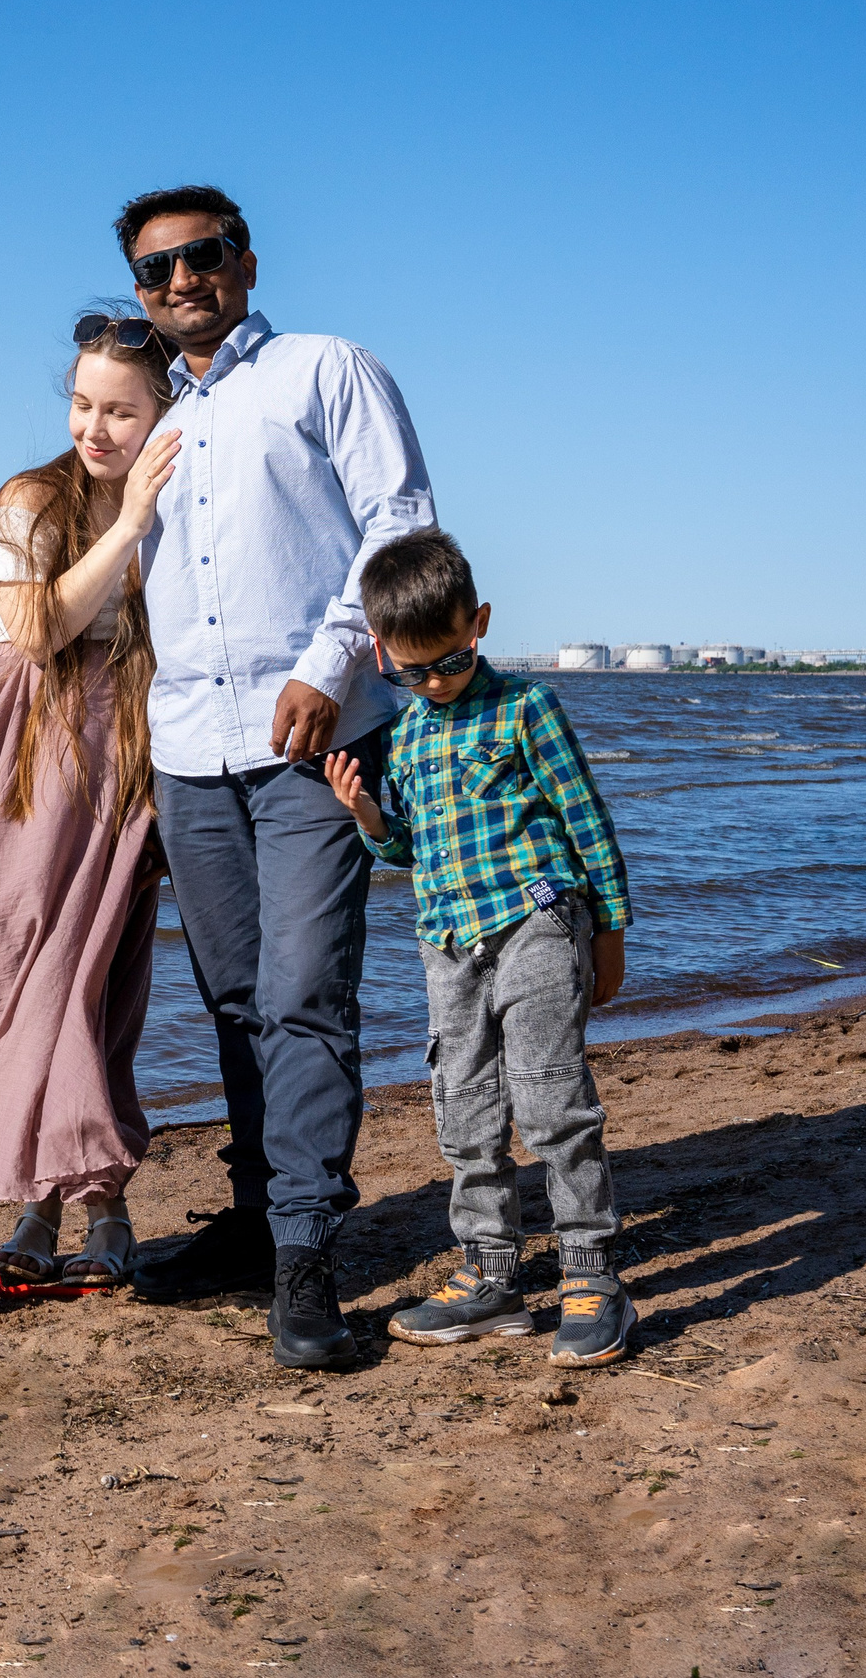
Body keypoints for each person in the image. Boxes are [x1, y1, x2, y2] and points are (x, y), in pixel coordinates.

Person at [116, 184, 438, 1372]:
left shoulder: (323, 368)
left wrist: (330, 658)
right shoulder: (149, 418)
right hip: (186, 749)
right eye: (158, 272)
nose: (182, 281)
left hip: (316, 735)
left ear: (244, 260)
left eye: (201, 257)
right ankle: (255, 1223)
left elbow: (400, 525)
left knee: (306, 991)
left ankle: (306, 1252)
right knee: (236, 997)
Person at [0, 310, 182, 1288]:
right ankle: (48, 1208)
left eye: (121, 412)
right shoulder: (29, 502)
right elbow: (43, 625)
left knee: (92, 982)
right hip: (13, 750)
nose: (94, 429)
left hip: (115, 759)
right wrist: (131, 522)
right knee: (1, 972)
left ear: (164, 412)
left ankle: (86, 1217)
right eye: (82, 404)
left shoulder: (179, 507)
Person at [324, 528, 636, 1366]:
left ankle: (591, 1274)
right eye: (414, 669)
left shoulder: (526, 708)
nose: (433, 681)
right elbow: (405, 851)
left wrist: (609, 931)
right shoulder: (405, 735)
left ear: (481, 624)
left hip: (537, 918)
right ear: (384, 653)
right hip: (447, 942)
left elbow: (589, 824)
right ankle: (491, 1275)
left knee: (549, 1101)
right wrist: (366, 818)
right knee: (463, 1107)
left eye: (450, 663)